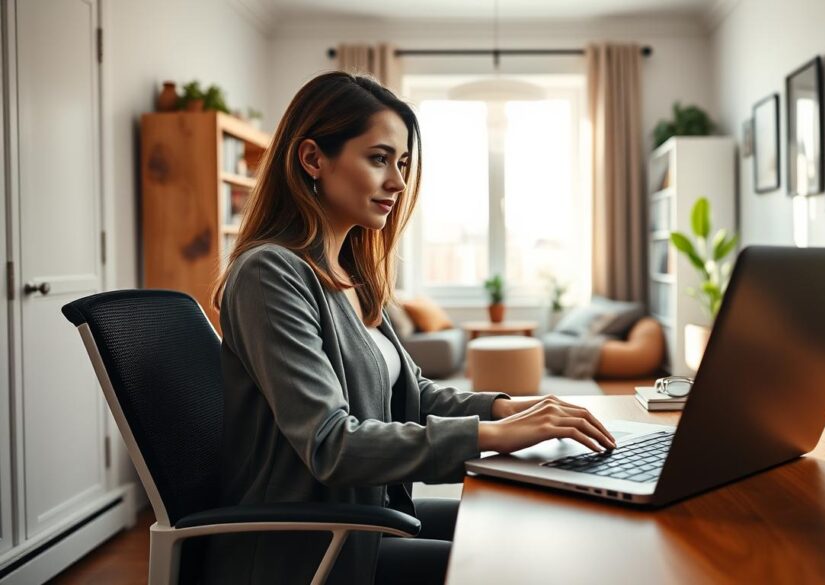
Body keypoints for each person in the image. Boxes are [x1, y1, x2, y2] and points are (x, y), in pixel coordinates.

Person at [204, 71, 616, 585]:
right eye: (379, 159)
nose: (398, 182)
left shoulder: (349, 274)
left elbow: (412, 394)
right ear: (312, 159)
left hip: (359, 523)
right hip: (305, 549)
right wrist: (495, 435)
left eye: (401, 163)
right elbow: (331, 444)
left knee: (544, 521)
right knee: (515, 563)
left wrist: (511, 408)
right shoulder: (270, 274)